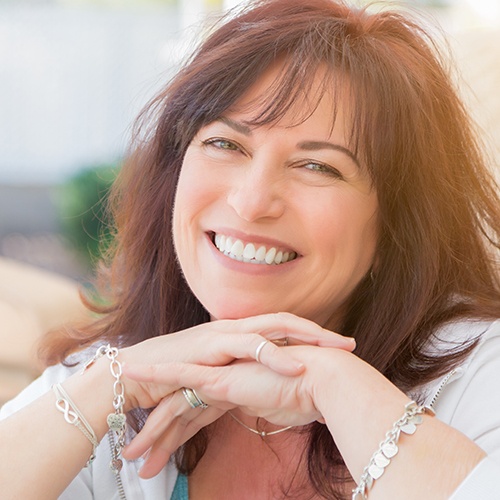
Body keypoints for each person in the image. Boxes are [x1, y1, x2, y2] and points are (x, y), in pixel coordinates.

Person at [2, 0, 500, 498]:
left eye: (318, 167)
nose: (251, 202)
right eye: (226, 144)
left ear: (396, 224)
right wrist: (106, 385)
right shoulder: (115, 374)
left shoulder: (480, 373)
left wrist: (332, 386)